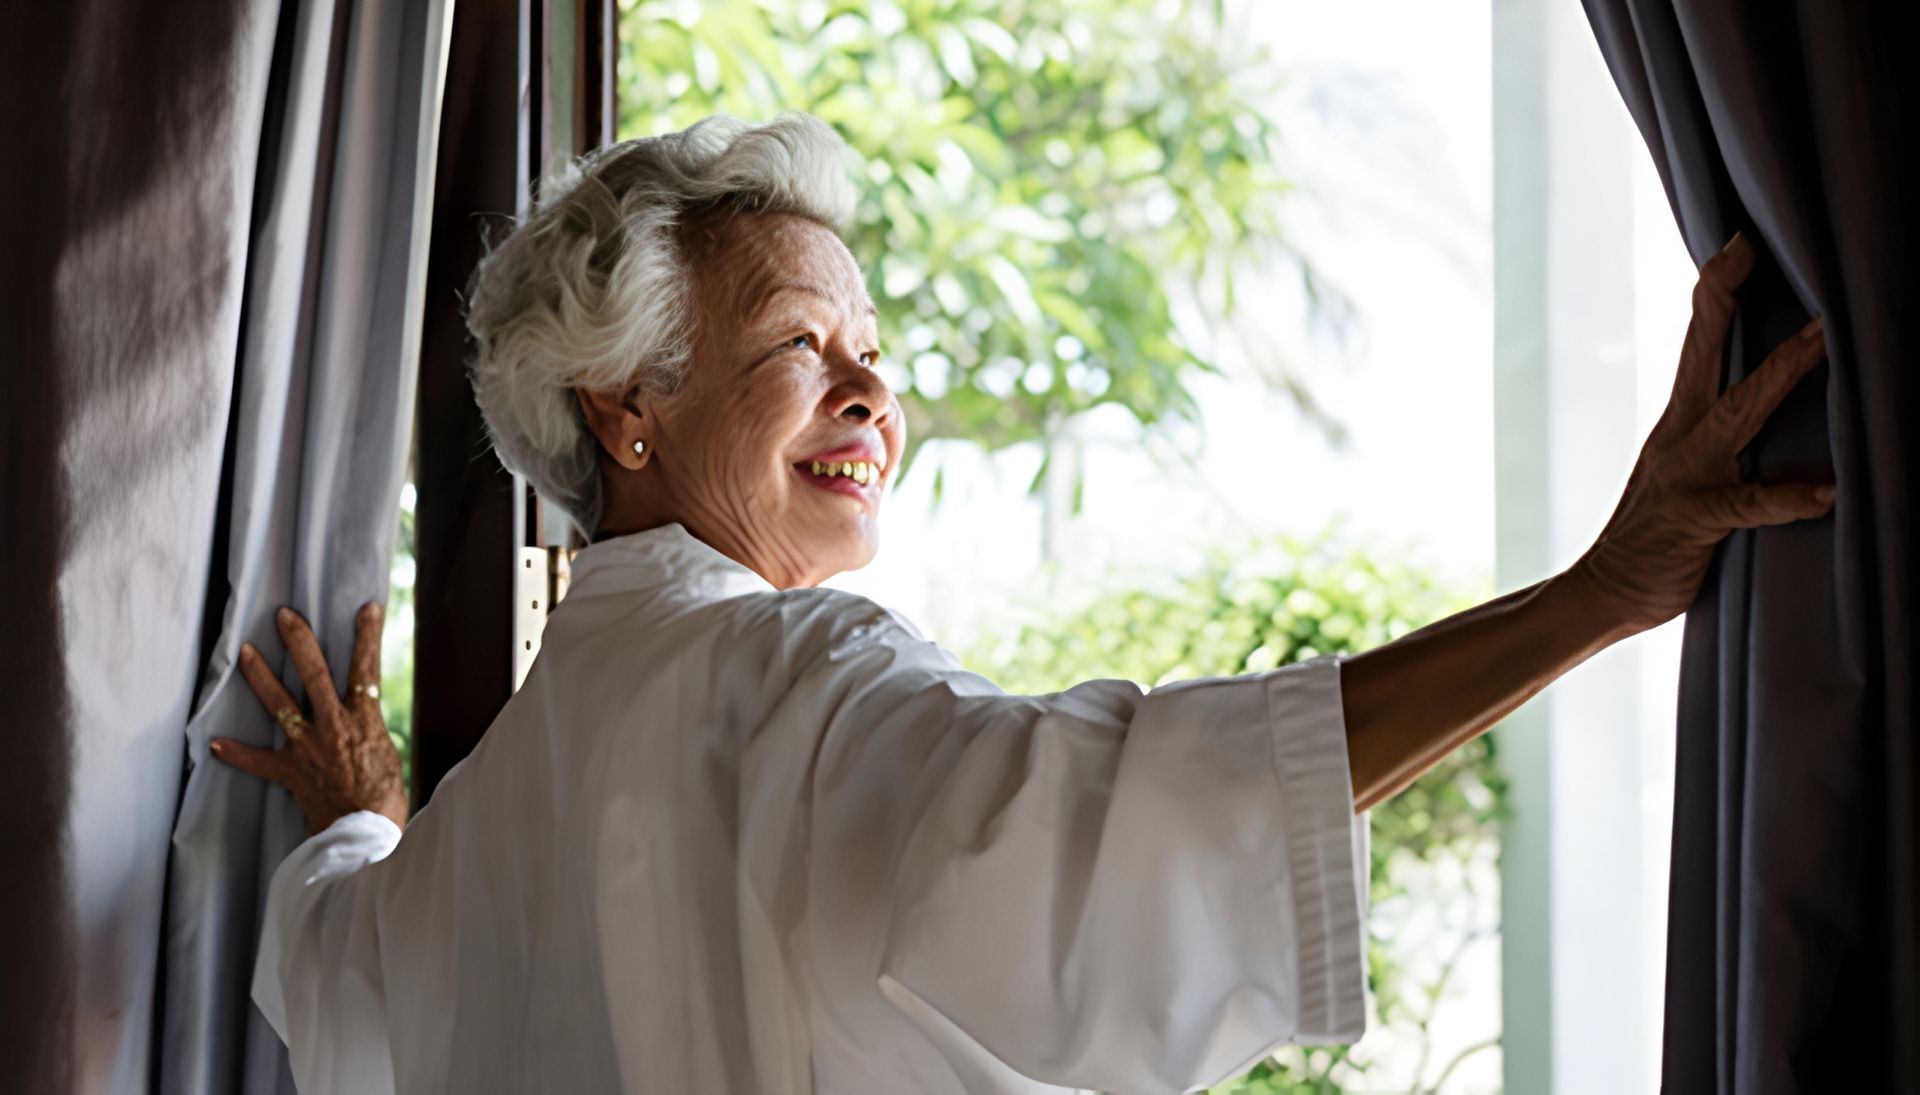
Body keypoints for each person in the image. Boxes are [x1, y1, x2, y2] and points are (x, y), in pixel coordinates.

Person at [212, 113, 1834, 1094]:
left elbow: (331, 963)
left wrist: (363, 813)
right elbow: (1129, 812)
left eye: (874, 358)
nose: (872, 399)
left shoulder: (478, 831)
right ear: (627, 405)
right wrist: (1602, 593)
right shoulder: (790, 675)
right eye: (801, 347)